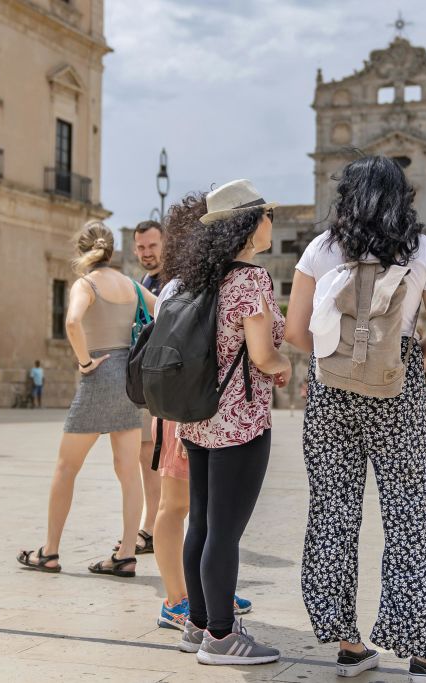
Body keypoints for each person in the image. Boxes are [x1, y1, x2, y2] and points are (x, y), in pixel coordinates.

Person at [285, 156, 426, 682]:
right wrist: (405, 357)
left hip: (329, 395)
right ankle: (421, 651)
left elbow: (296, 333)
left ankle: (347, 643)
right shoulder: (421, 251)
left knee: (332, 513)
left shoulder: (320, 250)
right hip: (397, 394)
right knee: (407, 517)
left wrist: (337, 357)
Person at [169, 179, 289, 665]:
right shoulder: (252, 281)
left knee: (199, 521)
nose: (270, 223)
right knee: (225, 531)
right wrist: (283, 365)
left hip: (196, 418)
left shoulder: (195, 278)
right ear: (248, 223)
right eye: (266, 215)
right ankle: (221, 636)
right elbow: (262, 355)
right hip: (239, 421)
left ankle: (197, 622)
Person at [18, 221, 156, 578]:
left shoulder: (86, 283)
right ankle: (125, 554)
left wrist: (84, 361)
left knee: (66, 469)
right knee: (128, 473)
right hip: (129, 381)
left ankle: (49, 552)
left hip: (99, 376)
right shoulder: (133, 286)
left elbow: (73, 322)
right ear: (113, 250)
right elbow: (167, 311)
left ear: (82, 251)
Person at [148, 193, 254, 633]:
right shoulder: (178, 287)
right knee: (176, 505)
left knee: (206, 510)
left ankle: (210, 592)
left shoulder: (197, 281)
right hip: (185, 408)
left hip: (196, 407)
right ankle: (175, 598)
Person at [113, 219, 167, 558]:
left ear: (165, 244)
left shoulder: (172, 281)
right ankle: (152, 525)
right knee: (147, 454)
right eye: (142, 248)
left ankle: (152, 528)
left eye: (152, 246)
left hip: (164, 382)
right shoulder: (145, 281)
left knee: (154, 456)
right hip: (146, 380)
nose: (147, 253)